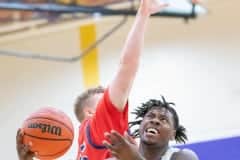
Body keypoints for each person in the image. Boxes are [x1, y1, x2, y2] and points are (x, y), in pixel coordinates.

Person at [16, 0, 168, 159]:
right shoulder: (100, 124)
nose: (113, 99)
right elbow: (127, 66)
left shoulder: (85, 147)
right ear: (90, 112)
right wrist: (143, 14)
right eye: (104, 100)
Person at [103, 96, 199, 160]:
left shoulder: (183, 157)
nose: (155, 121)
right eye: (150, 116)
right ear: (141, 125)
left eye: (164, 119)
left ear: (172, 135)